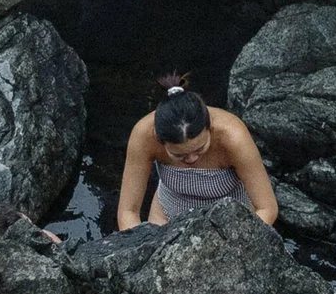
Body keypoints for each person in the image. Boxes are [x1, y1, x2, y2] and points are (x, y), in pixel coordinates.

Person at [115, 71, 278, 232]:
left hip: (230, 223)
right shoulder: (144, 134)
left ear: (210, 128)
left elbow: (266, 208)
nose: (192, 158)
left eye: (200, 149)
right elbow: (128, 211)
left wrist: (235, 242)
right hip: (167, 217)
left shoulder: (232, 136)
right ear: (158, 138)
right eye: (179, 155)